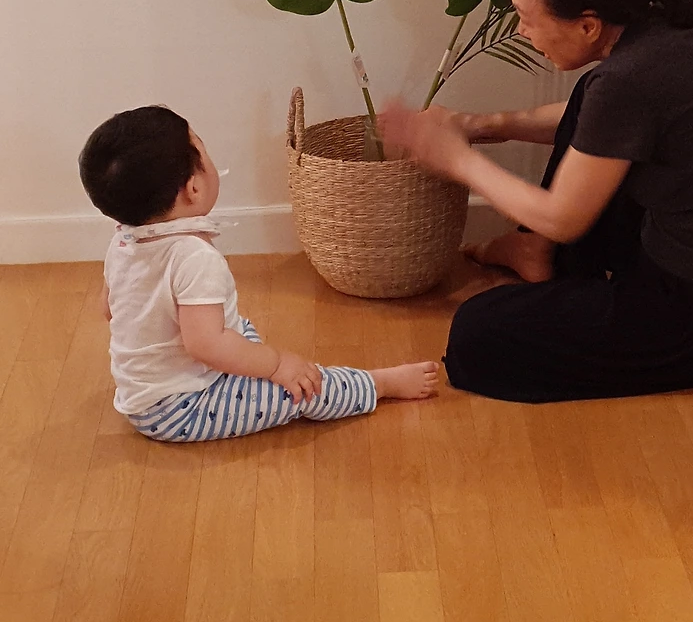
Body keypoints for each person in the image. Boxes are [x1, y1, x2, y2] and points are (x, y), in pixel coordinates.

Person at [381, 0, 693, 403]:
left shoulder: (627, 80)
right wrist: (478, 125)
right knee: (585, 98)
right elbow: (608, 123)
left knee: (477, 336)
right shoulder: (673, 16)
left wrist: (454, 158)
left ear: (587, 25)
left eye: (527, 17)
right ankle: (535, 252)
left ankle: (550, 261)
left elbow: (562, 218)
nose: (521, 30)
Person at [80, 105, 437, 441]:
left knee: (239, 331)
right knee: (304, 387)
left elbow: (110, 308)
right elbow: (205, 345)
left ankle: (249, 363)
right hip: (183, 407)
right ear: (194, 188)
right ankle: (377, 385)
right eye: (203, 149)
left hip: (141, 394)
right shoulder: (192, 257)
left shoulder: (124, 240)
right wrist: (278, 365)